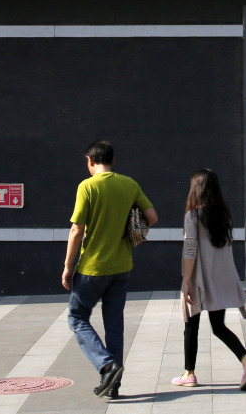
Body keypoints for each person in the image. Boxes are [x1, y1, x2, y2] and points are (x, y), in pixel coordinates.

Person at [63, 140, 158, 400]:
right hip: (122, 265)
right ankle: (113, 386)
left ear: (90, 162)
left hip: (93, 267)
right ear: (113, 160)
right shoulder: (129, 184)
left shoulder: (87, 186)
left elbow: (77, 230)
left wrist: (68, 266)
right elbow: (152, 216)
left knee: (77, 318)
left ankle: (107, 365)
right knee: (114, 325)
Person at [172, 168, 246, 391]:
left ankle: (189, 373)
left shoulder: (193, 215)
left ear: (196, 189)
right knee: (218, 326)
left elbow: (190, 249)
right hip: (220, 278)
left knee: (191, 325)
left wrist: (186, 281)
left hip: (199, 279)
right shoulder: (224, 216)